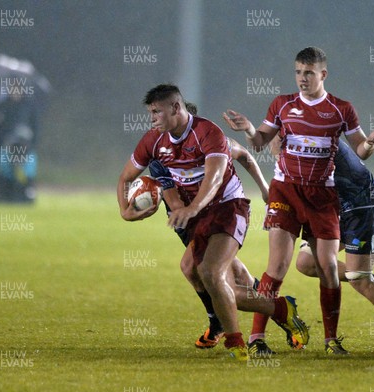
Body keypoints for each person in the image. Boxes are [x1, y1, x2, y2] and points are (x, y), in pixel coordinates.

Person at [117, 86, 308, 360]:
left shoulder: (210, 134)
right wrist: (125, 211)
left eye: (156, 111)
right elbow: (128, 179)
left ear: (176, 109)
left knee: (210, 272)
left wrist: (265, 190)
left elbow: (226, 169)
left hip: (227, 207)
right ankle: (279, 310)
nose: (152, 118)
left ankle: (234, 340)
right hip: (193, 215)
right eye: (150, 113)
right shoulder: (155, 144)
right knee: (214, 275)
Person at [223, 46, 374, 355]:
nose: (302, 78)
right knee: (278, 265)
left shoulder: (341, 109)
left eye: (308, 73)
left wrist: (372, 143)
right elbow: (259, 143)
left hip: (322, 195)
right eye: (298, 72)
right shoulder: (282, 105)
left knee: (326, 265)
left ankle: (331, 340)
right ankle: (258, 338)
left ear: (323, 74)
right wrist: (248, 130)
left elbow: (360, 151)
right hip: (286, 190)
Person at [149, 101, 293, 352]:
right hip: (188, 222)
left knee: (199, 271)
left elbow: (246, 156)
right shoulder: (159, 153)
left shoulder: (215, 143)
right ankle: (281, 315)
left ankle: (237, 324)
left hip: (218, 217)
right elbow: (169, 194)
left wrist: (263, 189)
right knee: (232, 276)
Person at [296, 138, 374, 346]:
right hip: (337, 209)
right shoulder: (298, 137)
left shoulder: (319, 135)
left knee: (358, 278)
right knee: (307, 262)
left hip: (363, 207)